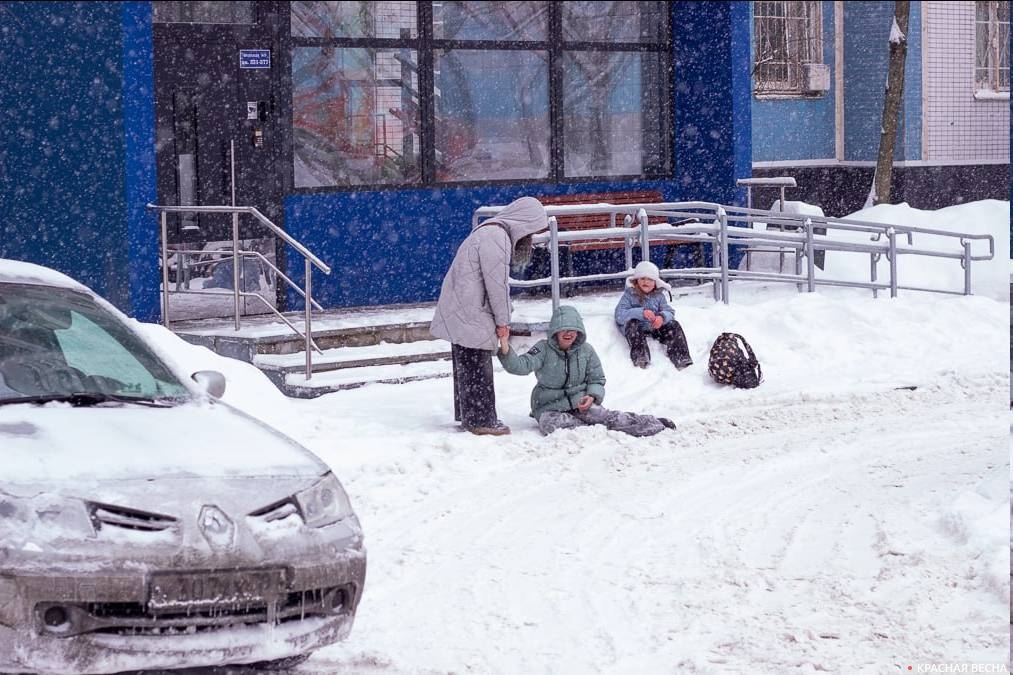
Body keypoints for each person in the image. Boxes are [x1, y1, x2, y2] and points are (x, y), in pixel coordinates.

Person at [430, 196, 548, 436]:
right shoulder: (497, 237)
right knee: (477, 363)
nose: (531, 238)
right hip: (472, 309)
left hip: (463, 306)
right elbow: (497, 285)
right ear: (524, 223)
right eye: (532, 230)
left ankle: (467, 413)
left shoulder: (489, 233)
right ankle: (481, 420)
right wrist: (503, 321)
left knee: (466, 360)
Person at [498, 304, 676, 437]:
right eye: (564, 330)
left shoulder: (586, 351)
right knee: (549, 425)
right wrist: (504, 344)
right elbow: (520, 366)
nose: (569, 334)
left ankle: (652, 424)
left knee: (607, 416)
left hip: (579, 402)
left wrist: (591, 396)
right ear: (555, 331)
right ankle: (594, 429)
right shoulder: (543, 349)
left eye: (573, 330)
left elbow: (597, 379)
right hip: (549, 406)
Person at [614, 260, 692, 370]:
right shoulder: (629, 295)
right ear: (636, 281)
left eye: (650, 279)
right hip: (637, 330)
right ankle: (641, 357)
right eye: (642, 278)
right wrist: (640, 313)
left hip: (654, 328)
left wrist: (662, 317)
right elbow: (619, 315)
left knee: (673, 325)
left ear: (655, 282)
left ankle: (681, 357)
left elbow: (670, 311)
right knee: (633, 325)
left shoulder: (659, 296)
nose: (646, 282)